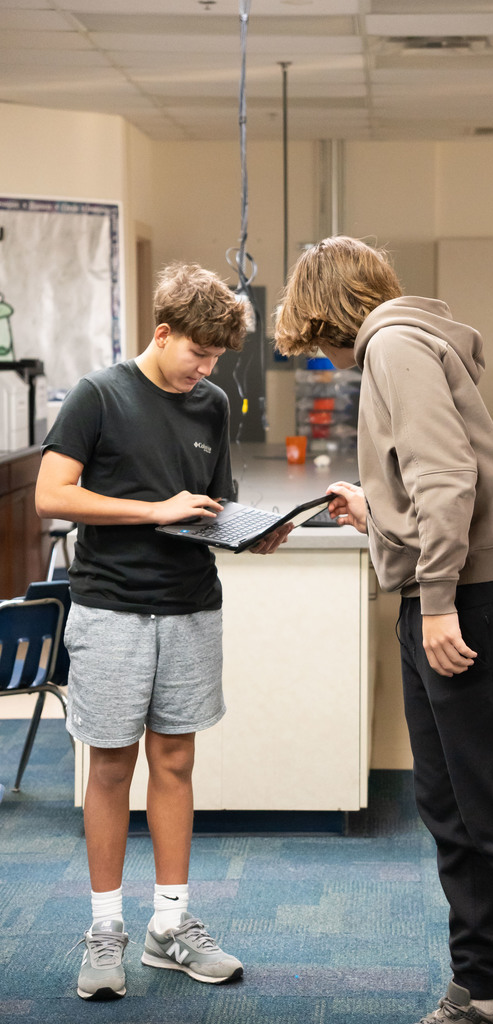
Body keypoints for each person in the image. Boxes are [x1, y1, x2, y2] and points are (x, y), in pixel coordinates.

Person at [273, 236, 493, 1024]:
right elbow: (429, 484)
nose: (326, 358)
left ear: (332, 314)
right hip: (442, 595)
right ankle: (476, 987)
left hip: (468, 600)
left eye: (320, 341)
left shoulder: (395, 346)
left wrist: (436, 601)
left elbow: (447, 480)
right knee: (448, 805)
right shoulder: (408, 343)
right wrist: (375, 512)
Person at [36, 263, 290, 1001]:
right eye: (197, 355)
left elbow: (212, 503)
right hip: (112, 608)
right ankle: (105, 930)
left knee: (174, 764)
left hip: (190, 607)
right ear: (162, 332)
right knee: (111, 768)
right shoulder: (99, 395)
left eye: (216, 360)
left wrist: (248, 532)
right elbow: (52, 496)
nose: (205, 371)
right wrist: (151, 509)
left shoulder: (211, 403)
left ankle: (169, 927)